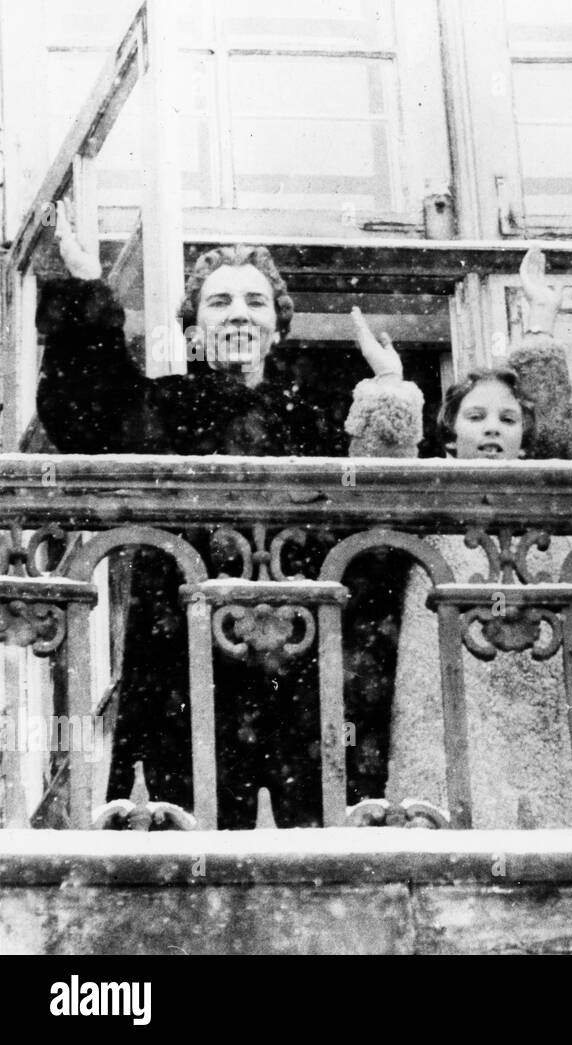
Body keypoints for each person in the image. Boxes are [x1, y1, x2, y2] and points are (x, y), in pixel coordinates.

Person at [37, 203, 424, 827]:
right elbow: (82, 412)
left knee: (320, 846)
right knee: (186, 834)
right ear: (193, 327)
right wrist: (87, 291)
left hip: (307, 661)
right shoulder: (160, 405)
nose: (238, 313)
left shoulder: (319, 417)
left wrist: (388, 394)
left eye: (254, 301)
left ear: (278, 327)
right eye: (219, 302)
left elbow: (381, 521)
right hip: (182, 663)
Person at [381, 249, 572, 828]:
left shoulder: (546, 527)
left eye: (507, 420)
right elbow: (377, 483)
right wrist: (388, 390)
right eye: (476, 417)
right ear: (450, 436)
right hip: (449, 712)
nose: (492, 429)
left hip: (544, 719)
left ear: (525, 441)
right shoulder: (428, 508)